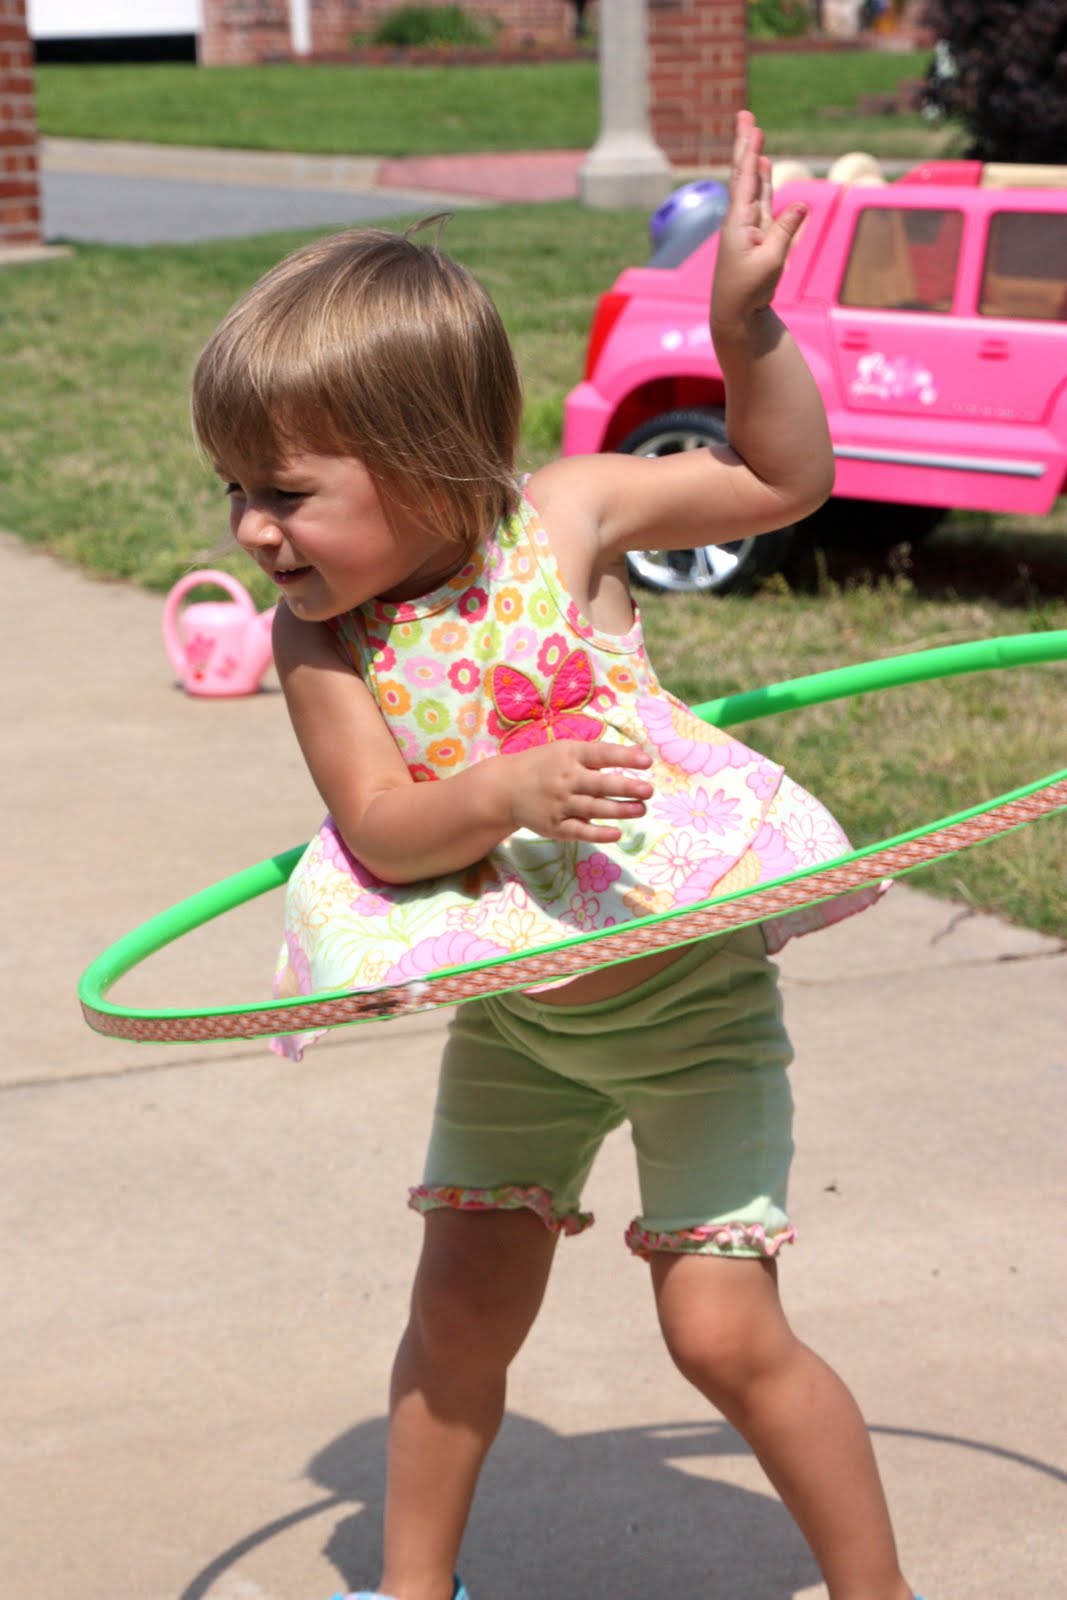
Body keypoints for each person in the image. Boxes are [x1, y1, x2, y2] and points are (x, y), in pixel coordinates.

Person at [191, 112, 920, 1600]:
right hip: (522, 1027)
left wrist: (747, 327)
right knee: (454, 1321)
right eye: (238, 490)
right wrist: (506, 788)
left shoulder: (569, 516)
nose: (252, 528)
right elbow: (386, 833)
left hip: (689, 1018)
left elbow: (787, 482)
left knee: (719, 1334)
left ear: (415, 459)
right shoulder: (321, 632)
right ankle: (410, 1591)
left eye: (284, 489)